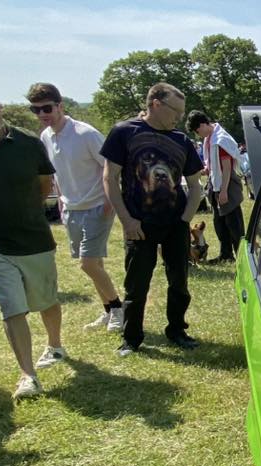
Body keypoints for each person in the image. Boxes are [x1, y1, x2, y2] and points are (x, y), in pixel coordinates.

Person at [101, 82, 204, 356]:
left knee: (179, 281)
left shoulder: (181, 140)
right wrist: (127, 220)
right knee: (137, 284)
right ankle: (132, 338)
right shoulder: (124, 132)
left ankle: (177, 330)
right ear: (156, 104)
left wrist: (184, 220)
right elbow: (109, 178)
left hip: (174, 224)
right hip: (139, 224)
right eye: (176, 111)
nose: (179, 118)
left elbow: (196, 185)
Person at [28, 82, 124, 332]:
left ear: (60, 106)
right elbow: (56, 174)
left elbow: (110, 167)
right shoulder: (45, 137)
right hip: (71, 209)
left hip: (97, 207)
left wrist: (109, 201)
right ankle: (108, 311)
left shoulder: (86, 133)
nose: (41, 115)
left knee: (87, 263)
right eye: (35, 110)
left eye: (46, 108)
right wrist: (61, 202)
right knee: (95, 267)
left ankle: (117, 308)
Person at [0, 91, 66, 399]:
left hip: (33, 239)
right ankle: (28, 375)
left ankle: (55, 344)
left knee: (45, 300)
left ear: (0, 107)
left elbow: (45, 184)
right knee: (11, 308)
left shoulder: (28, 143)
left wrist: (27, 211)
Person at [186, 110, 245, 263]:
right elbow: (215, 164)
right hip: (216, 183)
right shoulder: (210, 139)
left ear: (203, 124)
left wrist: (224, 190)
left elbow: (226, 167)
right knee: (220, 224)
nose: (198, 134)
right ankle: (226, 255)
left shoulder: (220, 140)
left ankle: (242, 257)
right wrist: (207, 169)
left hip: (227, 184)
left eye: (198, 130)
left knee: (234, 224)